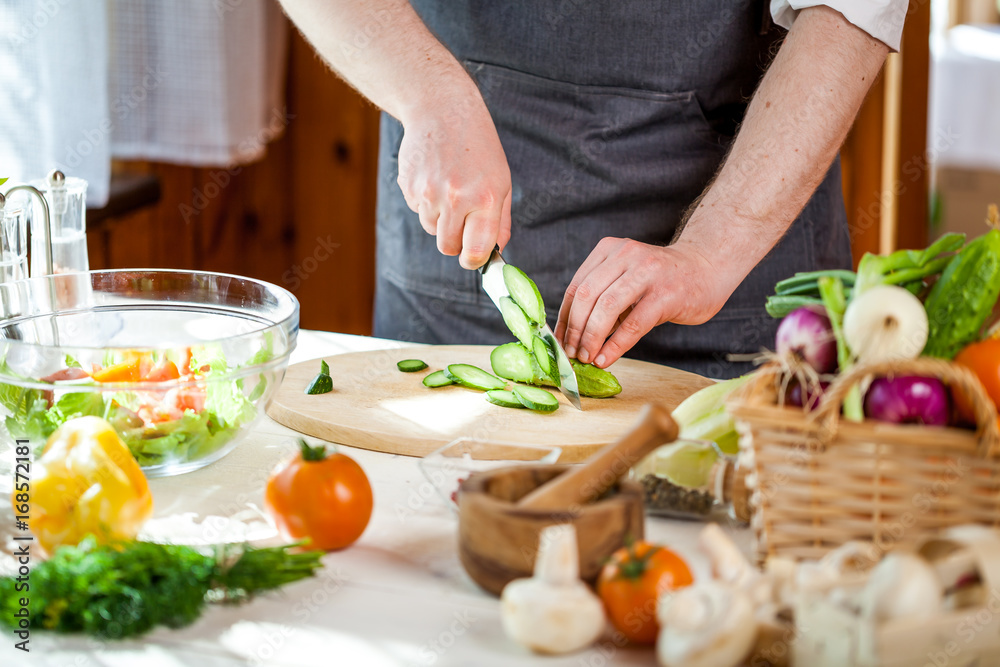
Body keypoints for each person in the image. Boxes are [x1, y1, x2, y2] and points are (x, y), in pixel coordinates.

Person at [278, 0, 907, 378]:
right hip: (450, 285)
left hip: (740, 278)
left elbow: (851, 10)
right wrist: (430, 96)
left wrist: (708, 257)